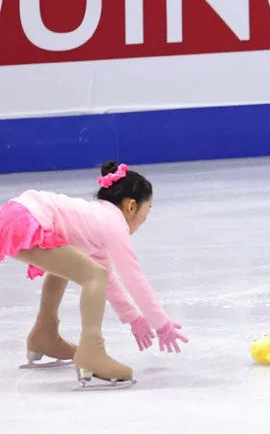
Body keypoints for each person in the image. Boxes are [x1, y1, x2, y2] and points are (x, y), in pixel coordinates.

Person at [0, 161, 188, 389]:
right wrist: (161, 324)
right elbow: (134, 279)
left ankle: (44, 334)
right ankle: (92, 351)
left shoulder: (96, 221)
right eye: (147, 211)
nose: (145, 219)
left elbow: (109, 278)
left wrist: (134, 317)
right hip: (25, 218)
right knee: (93, 276)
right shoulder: (114, 225)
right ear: (131, 206)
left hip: (17, 213)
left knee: (72, 270)